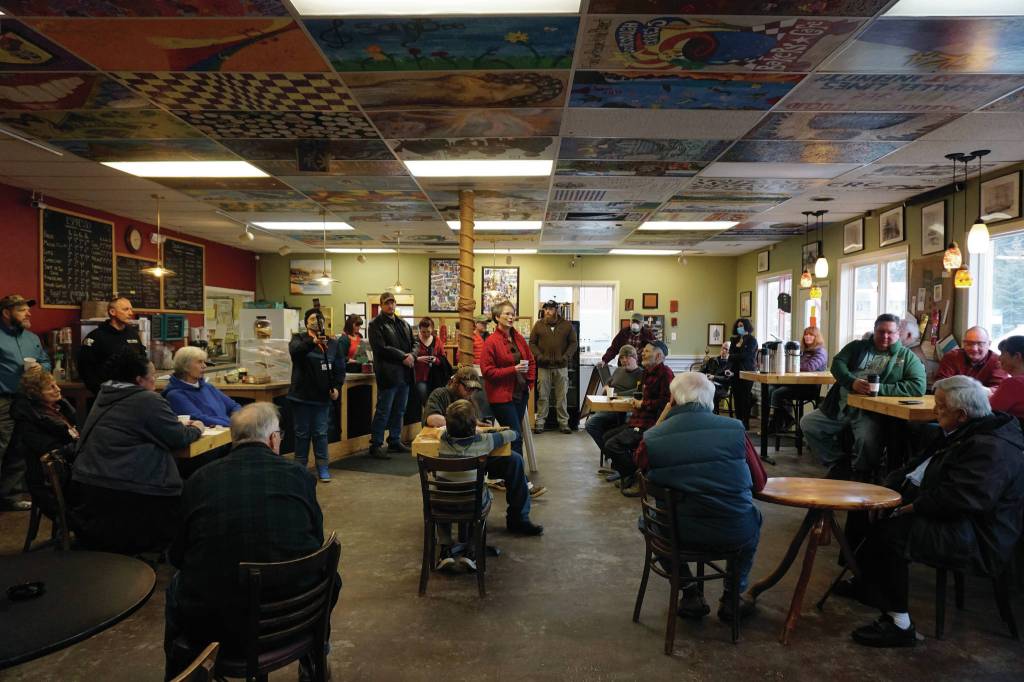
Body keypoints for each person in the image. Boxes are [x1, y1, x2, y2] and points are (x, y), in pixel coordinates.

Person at [837, 376, 1024, 648]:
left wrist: (909, 508)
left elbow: (962, 499)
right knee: (863, 506)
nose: (935, 412)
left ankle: (899, 623)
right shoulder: (963, 430)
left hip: (976, 533)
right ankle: (865, 580)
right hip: (948, 513)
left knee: (893, 533)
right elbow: (916, 466)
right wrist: (888, 489)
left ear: (961, 414)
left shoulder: (992, 447)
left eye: (941, 407)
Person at [163, 403, 336, 680]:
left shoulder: (198, 480)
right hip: (295, 616)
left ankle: (181, 671)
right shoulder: (299, 476)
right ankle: (316, 655)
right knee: (326, 575)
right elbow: (315, 541)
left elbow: (178, 555)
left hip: (217, 628)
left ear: (234, 439)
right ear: (272, 439)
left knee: (175, 587)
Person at [641, 373, 761, 622]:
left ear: (672, 400)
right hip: (733, 531)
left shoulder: (654, 438)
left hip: (680, 534)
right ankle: (732, 597)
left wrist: (662, 419)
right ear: (711, 400)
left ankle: (689, 591)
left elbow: (639, 463)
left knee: (648, 521)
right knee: (753, 517)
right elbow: (759, 482)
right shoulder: (736, 429)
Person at [71, 353, 202, 554]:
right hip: (127, 488)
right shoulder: (147, 399)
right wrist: (197, 428)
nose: (156, 381)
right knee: (194, 491)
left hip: (91, 484)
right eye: (153, 376)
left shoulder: (105, 394)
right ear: (139, 380)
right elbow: (178, 438)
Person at [801, 314, 926, 478]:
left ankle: (862, 474)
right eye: (881, 332)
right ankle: (839, 463)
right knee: (808, 424)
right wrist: (852, 382)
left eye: (890, 332)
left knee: (866, 441)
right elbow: (837, 364)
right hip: (839, 406)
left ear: (898, 333)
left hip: (869, 412)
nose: (885, 336)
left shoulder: (906, 356)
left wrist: (878, 389)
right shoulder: (857, 347)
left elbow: (918, 386)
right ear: (874, 331)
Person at [434, 397, 543, 540]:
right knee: (515, 460)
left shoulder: (443, 439)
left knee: (514, 460)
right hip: (475, 499)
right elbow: (513, 434)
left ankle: (445, 544)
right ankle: (482, 537)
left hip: (444, 500)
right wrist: (482, 433)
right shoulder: (485, 441)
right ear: (473, 425)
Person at [602, 341, 674, 496]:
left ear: (659, 355)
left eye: (647, 351)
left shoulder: (665, 374)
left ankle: (637, 478)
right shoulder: (647, 372)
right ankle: (628, 473)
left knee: (612, 444)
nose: (642, 353)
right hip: (637, 420)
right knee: (606, 437)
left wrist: (643, 404)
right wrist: (637, 401)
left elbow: (667, 403)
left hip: (652, 424)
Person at [0, 294, 50, 511]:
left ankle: (9, 496)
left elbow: (46, 360)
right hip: (2, 400)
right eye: (22, 310)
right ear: (6, 312)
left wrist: (42, 368)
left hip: (27, 400)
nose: (29, 313)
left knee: (20, 448)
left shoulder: (32, 338)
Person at [10, 365, 77, 524]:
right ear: (36, 394)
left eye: (56, 384)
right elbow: (52, 452)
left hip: (67, 473)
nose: (58, 389)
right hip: (51, 485)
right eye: (51, 387)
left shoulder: (56, 409)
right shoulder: (30, 421)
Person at [288, 308, 346, 482]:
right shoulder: (298, 339)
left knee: (321, 434)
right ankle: (300, 470)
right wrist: (313, 342)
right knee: (302, 434)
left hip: (322, 398)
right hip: (301, 396)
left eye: (319, 319)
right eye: (312, 318)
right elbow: (296, 352)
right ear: (306, 322)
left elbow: (340, 368)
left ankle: (323, 467)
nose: (316, 321)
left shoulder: (333, 343)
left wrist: (336, 387)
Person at [480, 300, 535, 458]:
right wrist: (513, 370)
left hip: (520, 394)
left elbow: (531, 361)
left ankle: (509, 477)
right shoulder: (491, 342)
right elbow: (488, 372)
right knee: (515, 436)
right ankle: (519, 481)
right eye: (507, 314)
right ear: (497, 317)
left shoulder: (518, 338)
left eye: (513, 314)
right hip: (501, 397)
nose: (511, 317)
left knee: (515, 436)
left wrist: (530, 383)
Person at [368, 292, 414, 460]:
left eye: (393, 302)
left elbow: (415, 343)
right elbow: (380, 348)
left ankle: (394, 440)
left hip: (404, 374)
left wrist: (412, 356)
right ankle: (376, 444)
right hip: (388, 373)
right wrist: (403, 356)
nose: (390, 306)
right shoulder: (375, 324)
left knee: (399, 410)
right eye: (387, 303)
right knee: (383, 410)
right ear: (381, 305)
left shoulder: (403, 323)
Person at [77, 296, 146, 395]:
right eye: (126, 309)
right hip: (106, 394)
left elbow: (142, 360)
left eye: (131, 309)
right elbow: (85, 369)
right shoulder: (96, 336)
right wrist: (99, 391)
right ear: (112, 312)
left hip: (132, 392)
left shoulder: (133, 334)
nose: (131, 313)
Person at [767, 326, 828, 434]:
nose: (807, 336)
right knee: (771, 387)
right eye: (806, 334)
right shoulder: (803, 351)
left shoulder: (820, 352)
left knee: (777, 393)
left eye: (811, 334)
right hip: (795, 384)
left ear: (816, 337)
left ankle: (778, 423)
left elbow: (809, 367)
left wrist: (793, 365)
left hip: (809, 387)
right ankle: (784, 420)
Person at [530, 300, 578, 434]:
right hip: (543, 367)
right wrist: (539, 356)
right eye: (545, 309)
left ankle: (563, 423)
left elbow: (573, 343)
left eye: (550, 309)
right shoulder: (538, 325)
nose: (547, 311)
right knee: (543, 396)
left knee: (562, 396)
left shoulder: (567, 325)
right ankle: (540, 423)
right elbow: (532, 343)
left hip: (561, 366)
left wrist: (566, 357)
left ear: (556, 310)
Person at [163, 346, 241, 427]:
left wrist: (239, 419)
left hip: (228, 431)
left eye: (204, 362)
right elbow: (200, 419)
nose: (204, 366)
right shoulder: (175, 395)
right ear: (185, 366)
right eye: (199, 362)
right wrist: (232, 423)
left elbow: (234, 406)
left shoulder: (207, 387)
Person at [584, 344, 642, 451]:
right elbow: (608, 382)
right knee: (590, 424)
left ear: (635, 357)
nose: (624, 360)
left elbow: (638, 391)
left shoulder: (641, 373)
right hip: (610, 407)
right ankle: (610, 451)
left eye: (627, 357)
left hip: (626, 410)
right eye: (621, 358)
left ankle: (613, 451)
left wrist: (617, 395)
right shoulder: (619, 370)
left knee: (593, 424)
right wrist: (606, 387)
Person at [935, 326, 1007, 389]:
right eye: (969, 343)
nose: (974, 349)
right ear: (964, 344)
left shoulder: (998, 361)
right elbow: (940, 385)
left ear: (989, 344)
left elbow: (999, 389)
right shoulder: (951, 357)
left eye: (980, 344)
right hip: (954, 402)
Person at [726, 318, 757, 430]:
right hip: (734, 372)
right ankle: (739, 421)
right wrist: (730, 362)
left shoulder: (752, 341)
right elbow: (731, 356)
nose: (740, 328)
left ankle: (746, 422)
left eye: (742, 325)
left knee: (745, 398)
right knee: (737, 397)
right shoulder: (734, 340)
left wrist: (733, 356)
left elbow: (746, 356)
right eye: (738, 325)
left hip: (747, 372)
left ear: (747, 327)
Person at [413, 316, 449, 406]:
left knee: (435, 402)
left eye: (428, 331)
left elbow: (443, 358)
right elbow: (408, 357)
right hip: (419, 377)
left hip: (435, 377)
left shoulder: (437, 340)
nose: (426, 334)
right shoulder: (415, 341)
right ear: (419, 330)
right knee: (424, 401)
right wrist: (417, 359)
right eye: (423, 332)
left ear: (432, 329)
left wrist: (436, 359)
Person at [990, 335, 1024, 418]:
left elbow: (988, 413)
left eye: (1002, 353)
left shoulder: (1013, 383)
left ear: (1017, 356)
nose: (999, 358)